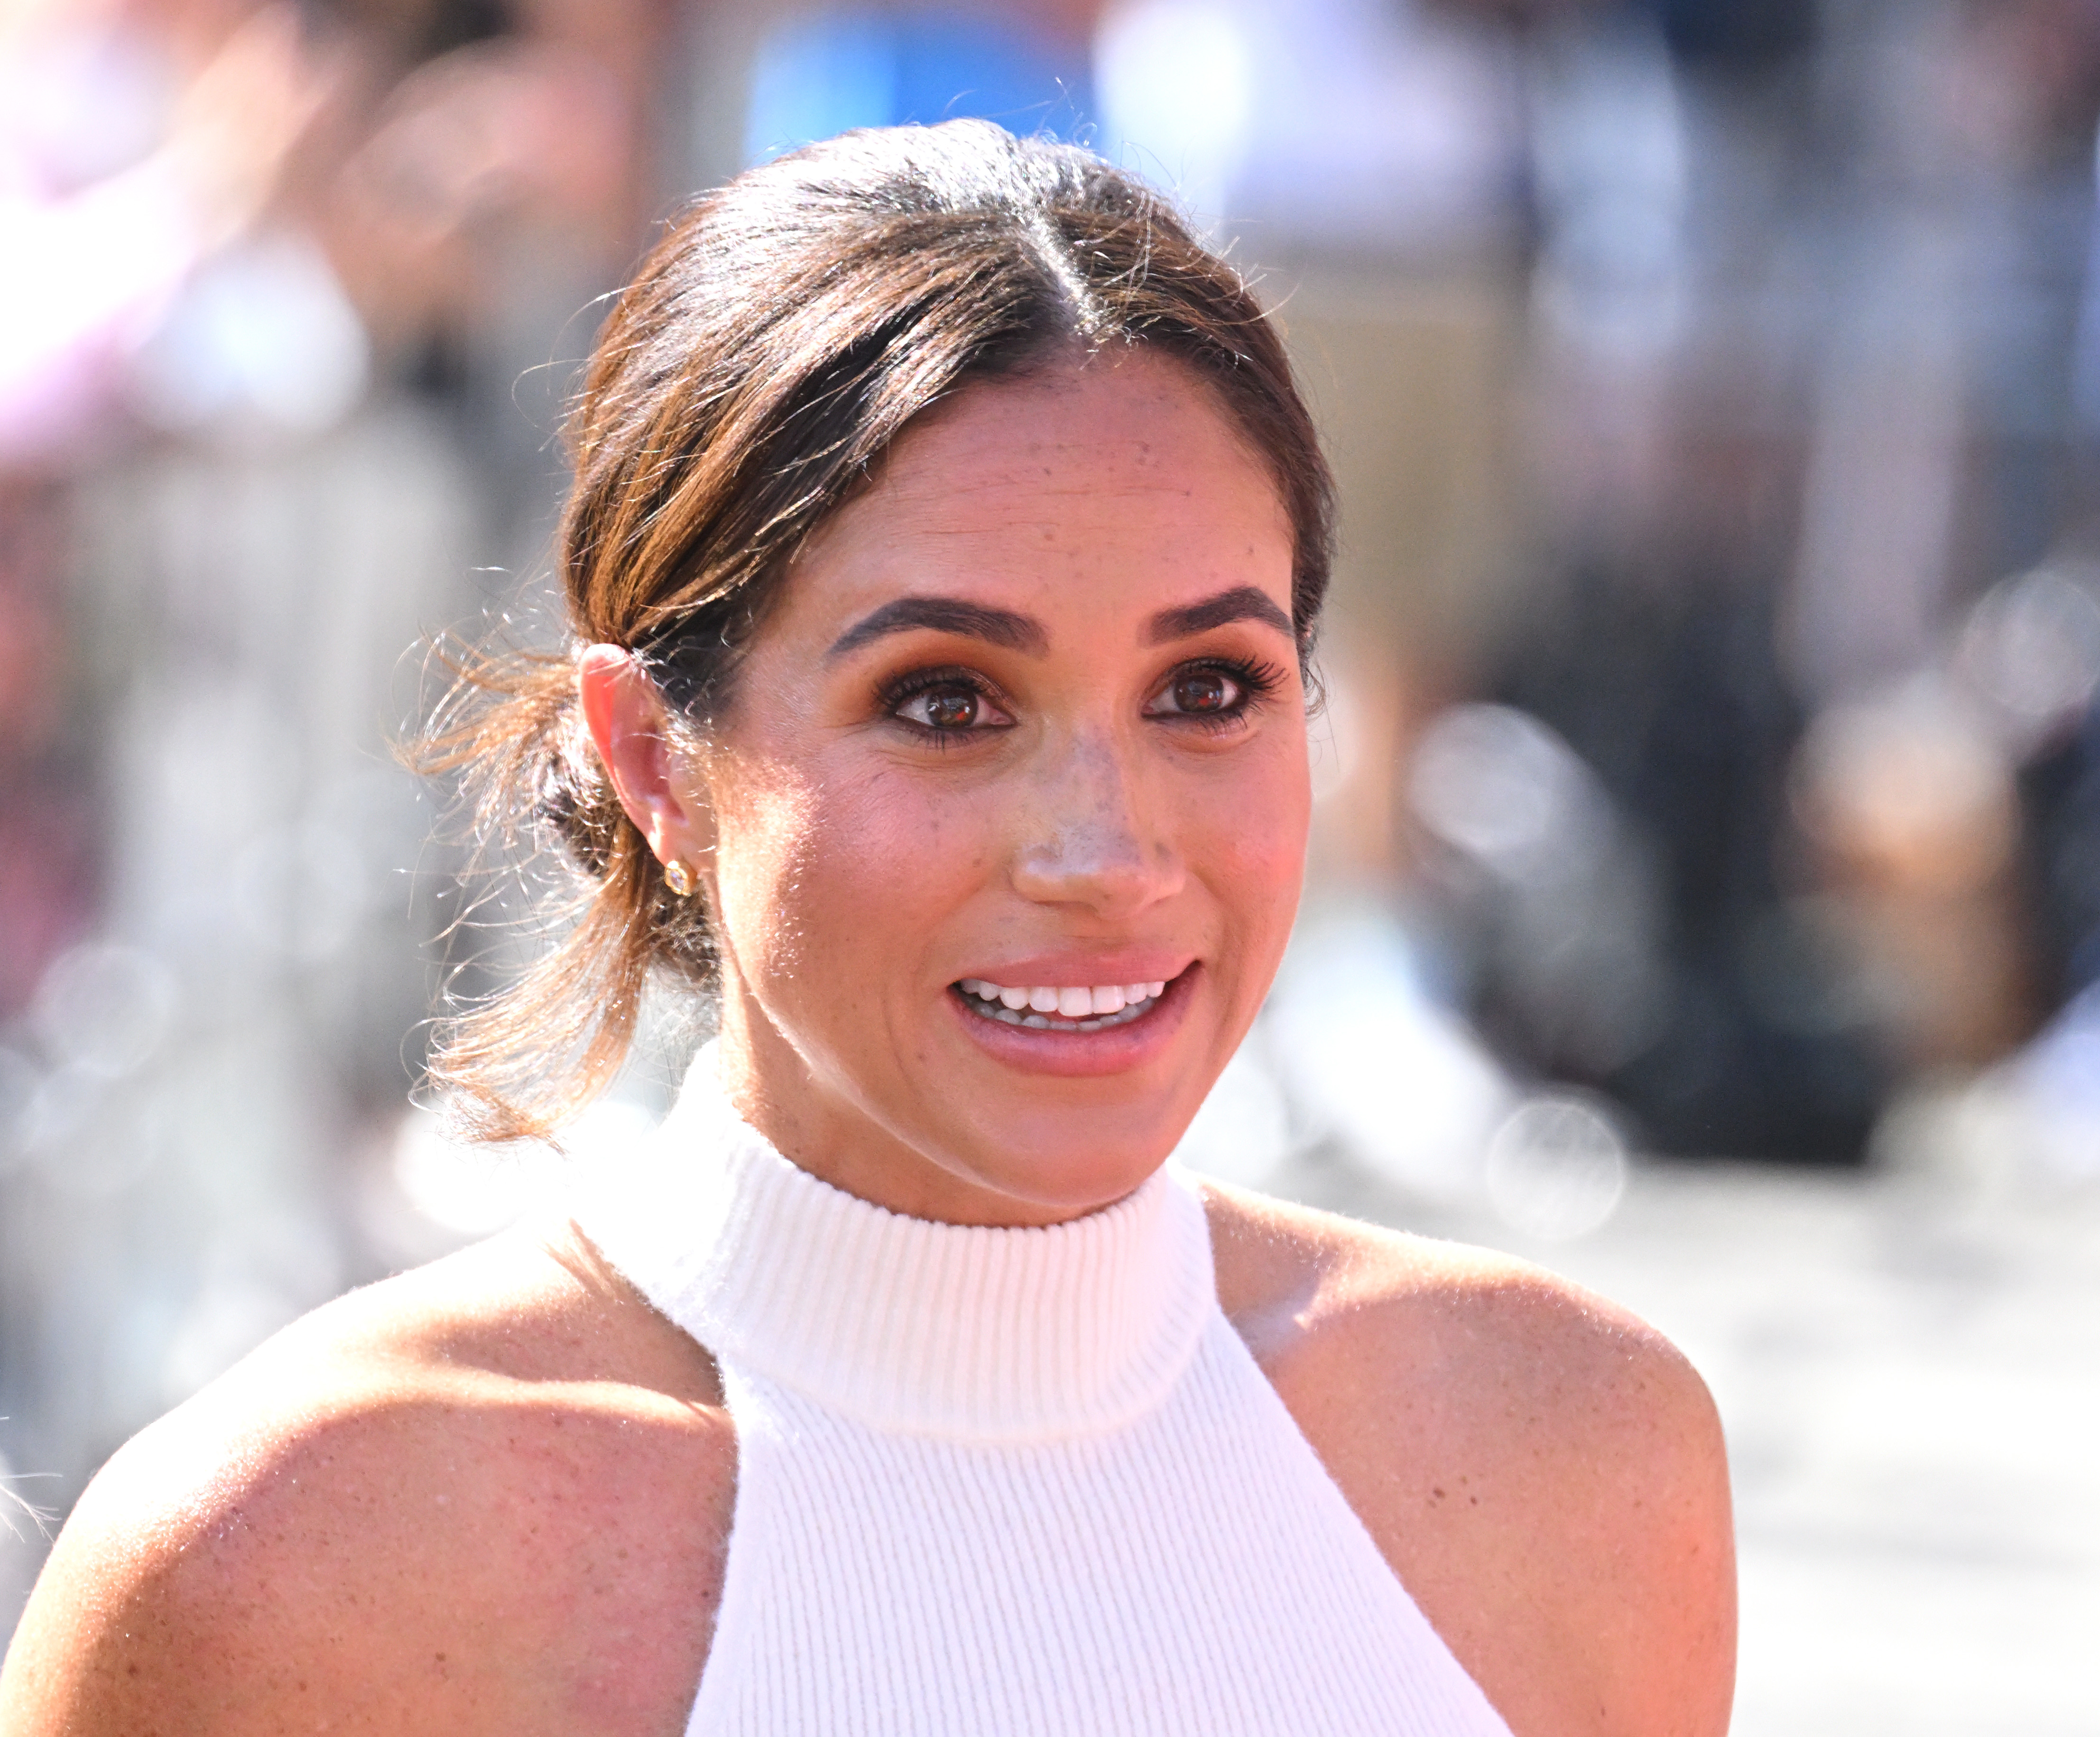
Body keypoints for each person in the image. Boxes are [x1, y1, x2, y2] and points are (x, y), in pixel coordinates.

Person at [0, 121, 1734, 1734]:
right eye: (945, 702)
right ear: (651, 759)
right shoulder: (297, 1560)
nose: (1108, 852)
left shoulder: (1567, 1453)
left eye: (1208, 687)